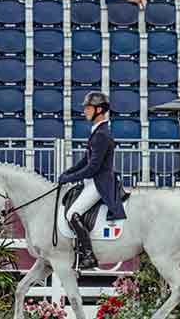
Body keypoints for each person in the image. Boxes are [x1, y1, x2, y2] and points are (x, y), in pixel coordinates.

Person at [58, 91, 127, 269]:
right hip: (93, 181)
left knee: (72, 214)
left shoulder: (102, 134)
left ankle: (88, 256)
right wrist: (68, 172)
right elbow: (85, 160)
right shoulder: (98, 131)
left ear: (99, 110)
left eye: (88, 108)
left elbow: (93, 168)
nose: (85, 112)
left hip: (99, 183)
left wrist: (71, 178)